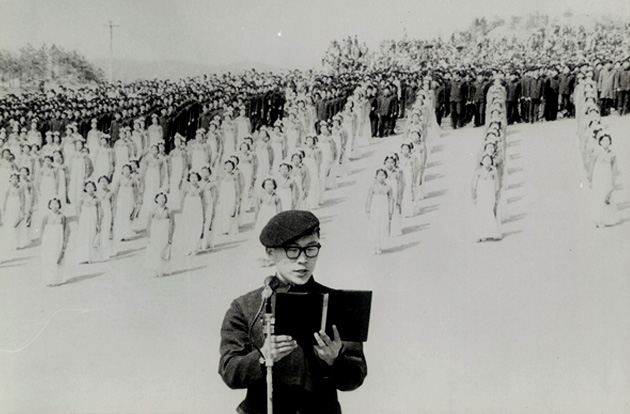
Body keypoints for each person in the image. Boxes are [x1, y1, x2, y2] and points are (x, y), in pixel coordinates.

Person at [219, 210, 367, 414]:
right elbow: (230, 372)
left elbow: (355, 378)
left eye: (311, 249)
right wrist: (262, 357)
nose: (303, 260)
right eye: (292, 250)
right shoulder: (246, 307)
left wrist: (335, 360)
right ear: (270, 253)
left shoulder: (339, 304)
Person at [589, 133, 619, 227]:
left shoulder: (612, 153)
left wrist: (613, 180)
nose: (605, 143)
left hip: (607, 176)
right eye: (603, 140)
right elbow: (592, 165)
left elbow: (614, 167)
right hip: (598, 177)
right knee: (598, 198)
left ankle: (607, 219)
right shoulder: (596, 152)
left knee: (607, 196)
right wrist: (590, 178)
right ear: (600, 142)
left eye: (607, 140)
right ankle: (597, 219)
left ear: (610, 142)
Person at [40, 198, 70, 286]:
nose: (54, 206)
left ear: (59, 205)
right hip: (48, 240)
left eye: (56, 204)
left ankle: (58, 279)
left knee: (57, 257)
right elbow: (42, 228)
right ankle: (48, 279)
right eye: (52, 204)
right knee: (48, 258)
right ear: (49, 205)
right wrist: (42, 239)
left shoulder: (62, 217)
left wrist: (65, 242)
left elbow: (66, 230)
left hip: (58, 239)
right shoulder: (46, 216)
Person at [471, 154, 502, 242]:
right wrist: (474, 197)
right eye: (485, 160)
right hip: (481, 194)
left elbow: (497, 184)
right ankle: (481, 234)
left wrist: (497, 195)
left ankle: (492, 233)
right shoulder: (478, 172)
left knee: (489, 211)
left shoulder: (494, 171)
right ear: (482, 161)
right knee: (481, 212)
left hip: (490, 194)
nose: (487, 162)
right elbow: (474, 184)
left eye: (489, 160)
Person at [144, 192, 174, 277]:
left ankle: (162, 270)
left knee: (163, 251)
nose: (162, 200)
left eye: (163, 198)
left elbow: (172, 224)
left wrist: (170, 237)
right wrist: (149, 236)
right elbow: (149, 224)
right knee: (154, 251)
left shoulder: (169, 211)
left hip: (164, 233)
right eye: (160, 198)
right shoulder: (153, 211)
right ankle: (154, 269)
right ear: (156, 200)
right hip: (155, 233)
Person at [365, 168, 393, 254]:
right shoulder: (372, 187)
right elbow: (369, 198)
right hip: (375, 208)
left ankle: (380, 246)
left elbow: (391, 199)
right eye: (379, 175)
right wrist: (368, 209)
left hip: (384, 208)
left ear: (386, 176)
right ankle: (374, 245)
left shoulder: (388, 187)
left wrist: (390, 210)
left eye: (383, 175)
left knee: (382, 225)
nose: (381, 177)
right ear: (376, 176)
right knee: (375, 225)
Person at [75, 181, 102, 264]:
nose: (90, 189)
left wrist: (98, 223)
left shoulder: (97, 200)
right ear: (85, 188)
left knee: (91, 237)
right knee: (83, 237)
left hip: (93, 220)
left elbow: (100, 212)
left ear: (94, 188)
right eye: (88, 187)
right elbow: (78, 210)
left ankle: (90, 257)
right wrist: (79, 221)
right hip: (84, 220)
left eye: (92, 187)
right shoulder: (82, 199)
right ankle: (82, 257)